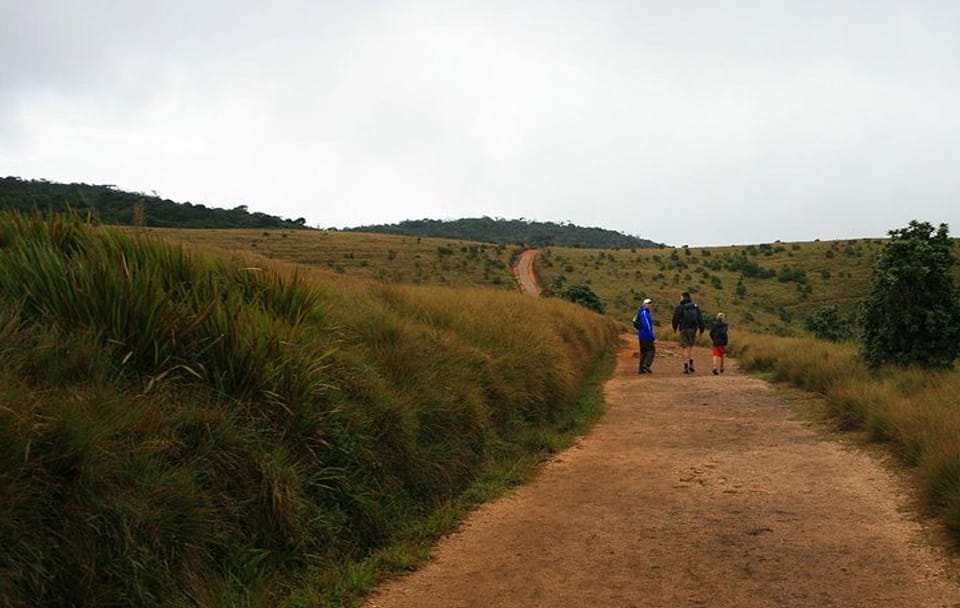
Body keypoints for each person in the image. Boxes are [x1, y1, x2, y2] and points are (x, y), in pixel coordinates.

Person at [671, 291, 704, 374]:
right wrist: (701, 329)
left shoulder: (680, 307)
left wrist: (675, 328)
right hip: (693, 329)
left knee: (685, 347)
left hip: (683, 329)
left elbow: (675, 318)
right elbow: (700, 318)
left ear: (683, 297)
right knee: (691, 346)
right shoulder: (695, 306)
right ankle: (691, 364)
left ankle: (686, 366)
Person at [635, 298, 655, 374]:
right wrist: (651, 335)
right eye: (648, 303)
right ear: (644, 304)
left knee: (643, 352)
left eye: (650, 304)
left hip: (642, 335)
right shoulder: (644, 313)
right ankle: (646, 364)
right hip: (646, 335)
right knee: (651, 350)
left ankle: (641, 369)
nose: (649, 305)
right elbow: (647, 325)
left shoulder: (642, 312)